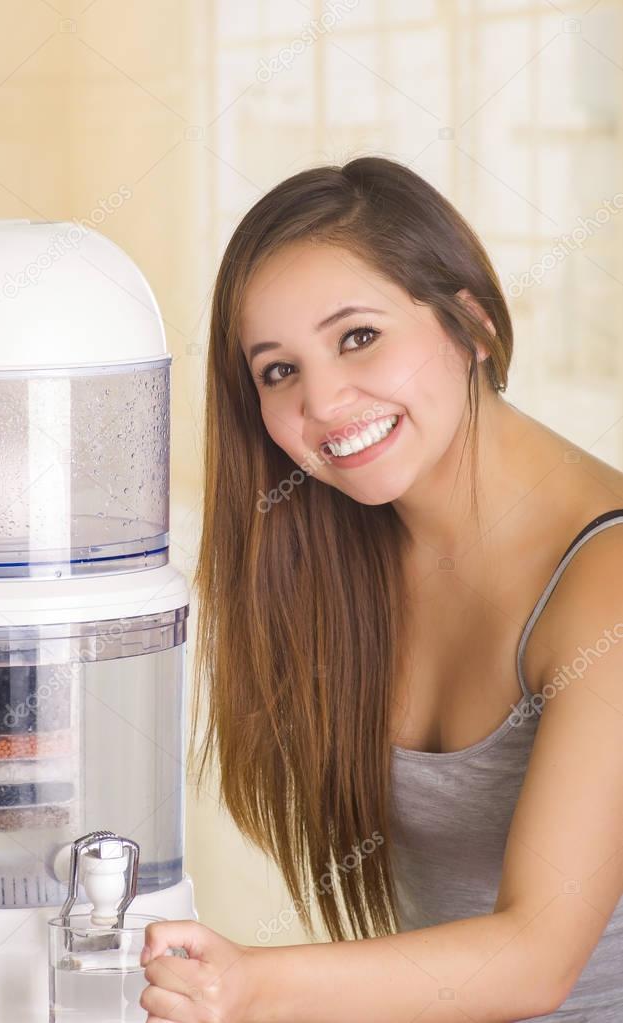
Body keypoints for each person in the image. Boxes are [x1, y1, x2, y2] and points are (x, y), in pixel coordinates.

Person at [139, 156, 623, 1022]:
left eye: (357, 336)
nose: (323, 401)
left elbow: (536, 959)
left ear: (469, 323)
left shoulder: (606, 579)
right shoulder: (339, 559)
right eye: (277, 370)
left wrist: (249, 984)